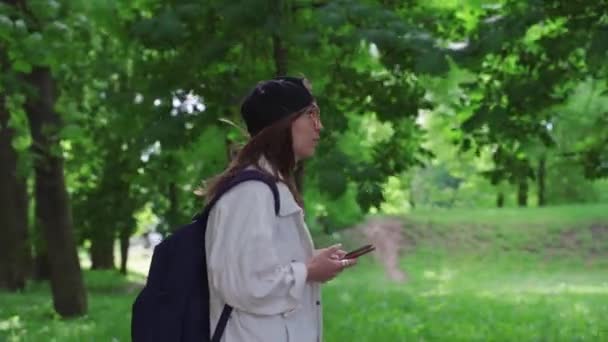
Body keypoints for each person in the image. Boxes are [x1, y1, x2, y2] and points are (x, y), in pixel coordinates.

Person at [203, 76, 357, 342]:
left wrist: (309, 260)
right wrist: (308, 271)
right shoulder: (251, 192)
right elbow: (243, 283)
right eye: (311, 115)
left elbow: (258, 266)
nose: (319, 127)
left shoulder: (269, 185)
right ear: (283, 123)